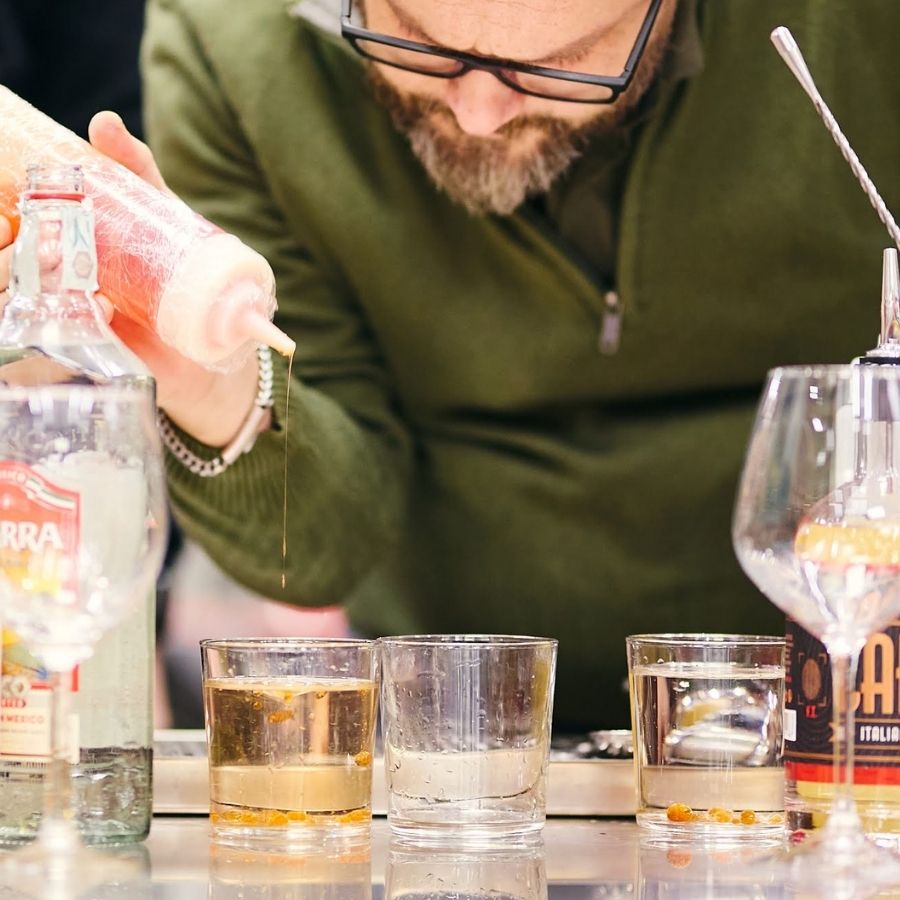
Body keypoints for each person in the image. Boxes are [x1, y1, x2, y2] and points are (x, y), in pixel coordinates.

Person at [1, 0, 899, 729]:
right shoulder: (232, 37)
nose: (476, 112)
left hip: (849, 713)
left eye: (563, 63)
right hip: (453, 740)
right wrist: (212, 385)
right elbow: (320, 541)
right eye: (415, 41)